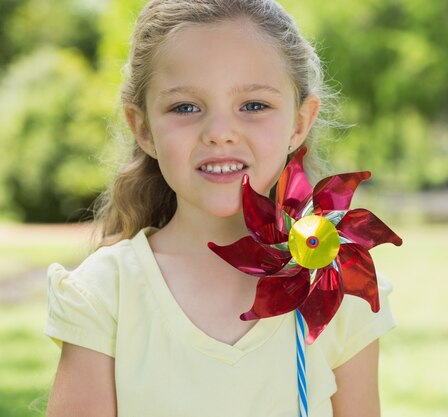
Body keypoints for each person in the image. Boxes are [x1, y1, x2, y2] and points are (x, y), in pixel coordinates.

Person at [45, 1, 395, 416]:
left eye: (253, 105)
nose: (220, 134)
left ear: (299, 124)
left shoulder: (338, 289)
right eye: (186, 107)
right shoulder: (106, 294)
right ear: (144, 128)